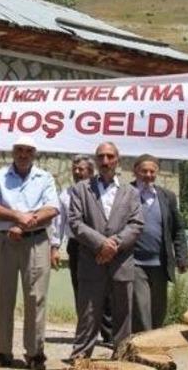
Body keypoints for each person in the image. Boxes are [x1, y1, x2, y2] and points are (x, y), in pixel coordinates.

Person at [0, 137, 59, 370]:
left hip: (36, 241)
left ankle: (35, 354)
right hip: (5, 241)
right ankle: (2, 352)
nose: (24, 154)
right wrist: (17, 218)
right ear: (13, 152)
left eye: (28, 150)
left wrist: (25, 224)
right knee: (4, 298)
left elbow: (52, 208)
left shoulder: (44, 177)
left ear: (34, 153)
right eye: (19, 150)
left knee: (35, 299)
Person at [67, 142, 143, 361]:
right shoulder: (82, 189)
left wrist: (114, 245)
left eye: (110, 156)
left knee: (123, 315)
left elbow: (136, 224)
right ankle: (80, 357)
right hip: (92, 261)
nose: (105, 161)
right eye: (101, 157)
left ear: (117, 159)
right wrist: (101, 244)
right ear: (96, 160)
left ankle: (121, 359)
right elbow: (75, 222)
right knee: (88, 314)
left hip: (121, 263)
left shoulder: (131, 192)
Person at [49, 156, 111, 343]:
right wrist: (54, 247)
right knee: (81, 290)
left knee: (107, 290)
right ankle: (85, 334)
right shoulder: (66, 195)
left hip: (102, 245)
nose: (77, 172)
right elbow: (58, 223)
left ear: (91, 172)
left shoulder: (101, 191)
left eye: (81, 169)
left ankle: (109, 335)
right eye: (75, 169)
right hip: (77, 247)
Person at [130, 154, 188, 332]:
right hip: (134, 262)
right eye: (144, 171)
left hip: (160, 264)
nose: (148, 175)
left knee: (158, 310)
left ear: (157, 172)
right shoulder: (125, 193)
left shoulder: (167, 197)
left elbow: (178, 229)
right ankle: (141, 347)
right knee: (141, 308)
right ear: (135, 172)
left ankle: (154, 346)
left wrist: (182, 257)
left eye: (152, 171)